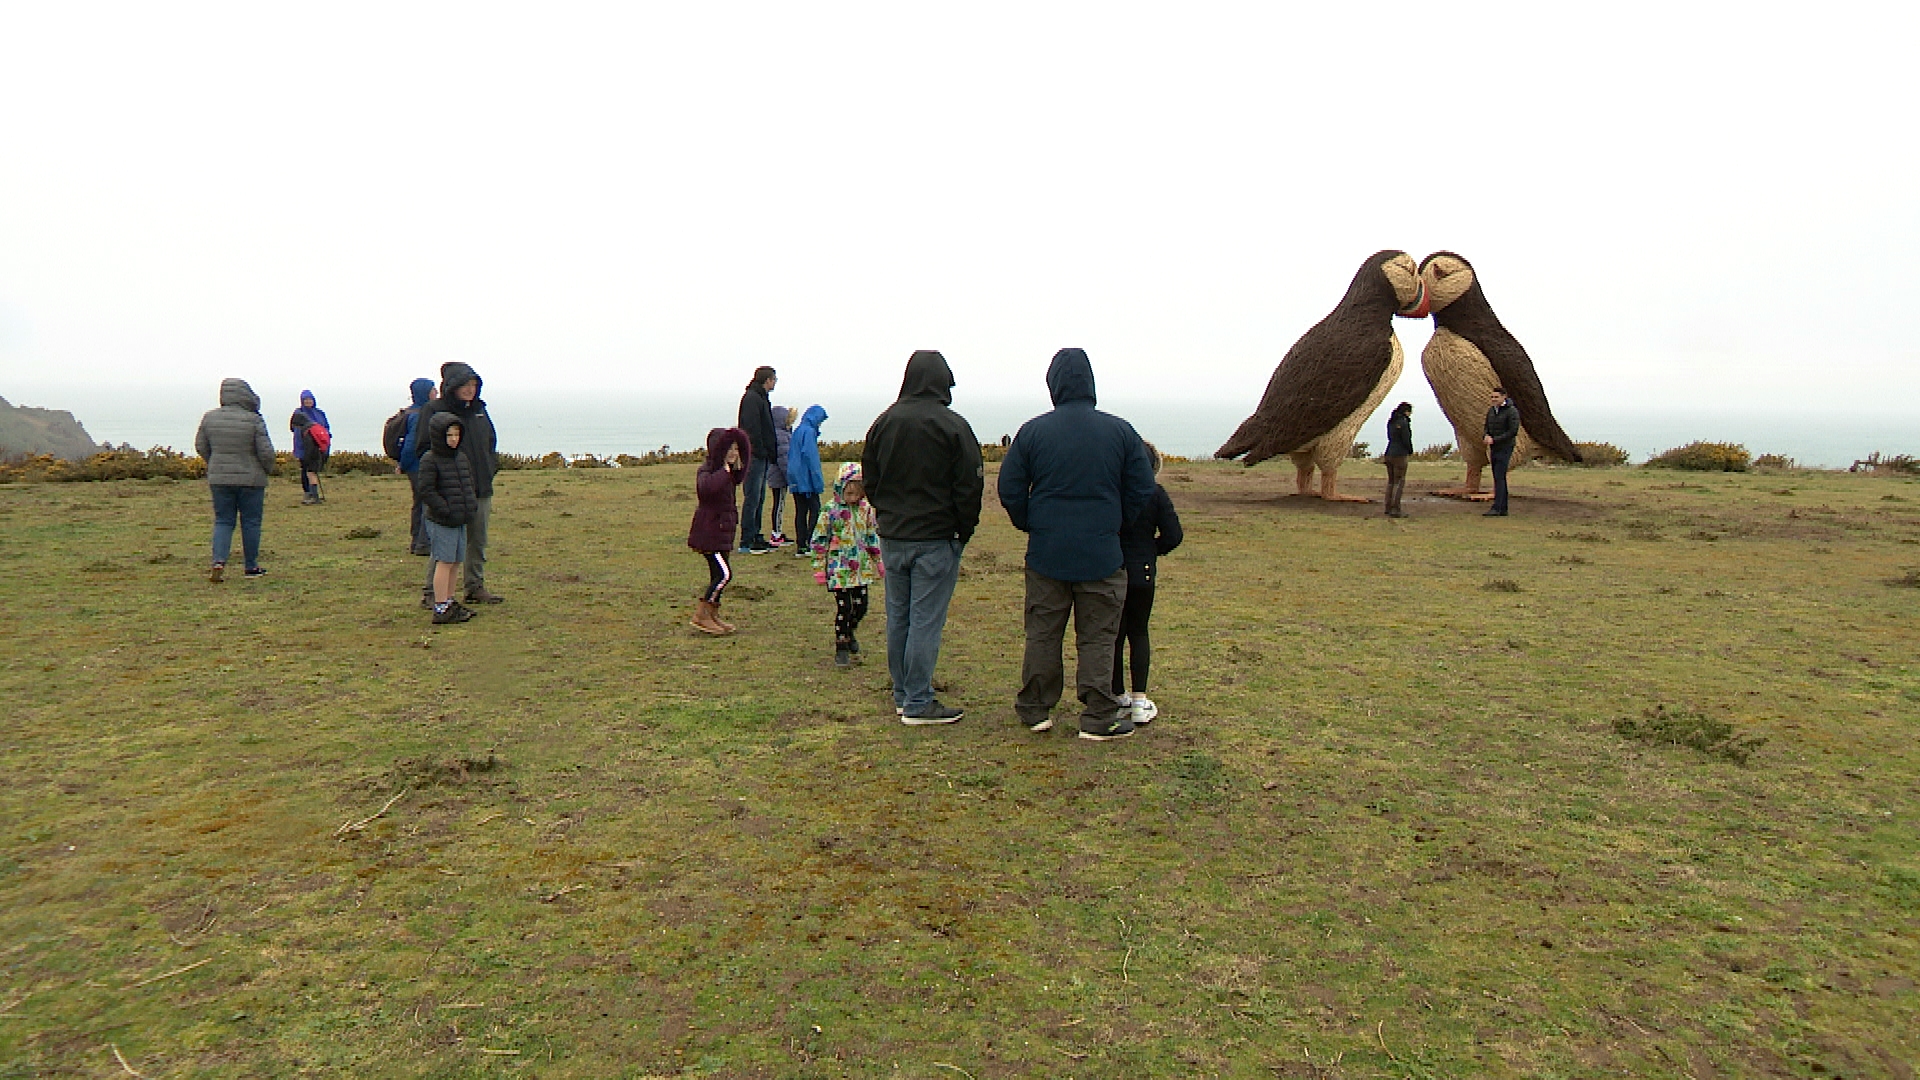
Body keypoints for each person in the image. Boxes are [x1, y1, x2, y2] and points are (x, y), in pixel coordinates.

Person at [998, 348, 1156, 741]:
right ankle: (1099, 715)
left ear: (1053, 384)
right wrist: (1116, 522)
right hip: (1102, 554)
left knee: (1043, 632)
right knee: (1098, 636)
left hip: (1047, 552)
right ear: (1091, 383)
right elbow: (1142, 487)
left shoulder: (1032, 432)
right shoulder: (1121, 432)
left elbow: (1010, 487)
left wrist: (1031, 522)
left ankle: (1035, 708)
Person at [862, 350, 983, 725]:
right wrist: (963, 530)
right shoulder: (953, 426)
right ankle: (917, 701)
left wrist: (887, 513)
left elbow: (870, 478)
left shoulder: (884, 423)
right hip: (936, 538)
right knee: (925, 620)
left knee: (899, 617)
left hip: (894, 536)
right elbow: (970, 485)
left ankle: (903, 694)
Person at [412, 363, 503, 603]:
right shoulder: (434, 410)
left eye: (473, 384)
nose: (470, 390)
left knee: (477, 540)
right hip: (449, 490)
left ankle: (474, 586)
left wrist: (488, 469)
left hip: (480, 488)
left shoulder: (479, 410)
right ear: (452, 386)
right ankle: (433, 593)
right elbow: (423, 449)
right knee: (445, 545)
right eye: (465, 384)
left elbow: (490, 442)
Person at [1112, 441, 1183, 726]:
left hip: (1113, 570)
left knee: (1114, 635)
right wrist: (1151, 550)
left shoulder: (1112, 492)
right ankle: (1140, 700)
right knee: (1139, 632)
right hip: (1142, 572)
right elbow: (1174, 535)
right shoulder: (1155, 493)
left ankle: (1117, 696)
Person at [194, 378, 277, 582]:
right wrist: (267, 469)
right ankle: (251, 566)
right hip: (251, 479)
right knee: (251, 522)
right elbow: (265, 451)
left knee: (223, 521)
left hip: (219, 479)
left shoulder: (209, 418)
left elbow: (200, 445)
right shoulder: (254, 419)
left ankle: (218, 561)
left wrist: (215, 463)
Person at [810, 462, 884, 668]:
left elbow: (871, 537)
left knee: (861, 606)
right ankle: (841, 645)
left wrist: (878, 561)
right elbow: (819, 540)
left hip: (860, 569)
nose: (852, 498)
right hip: (839, 569)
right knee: (845, 607)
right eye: (849, 493)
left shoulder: (865, 510)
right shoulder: (830, 510)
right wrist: (819, 568)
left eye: (857, 493)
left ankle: (850, 632)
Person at [414, 413, 480, 625]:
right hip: (442, 520)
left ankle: (450, 602)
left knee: (456, 561)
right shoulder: (430, 459)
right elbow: (426, 490)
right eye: (449, 435)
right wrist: (445, 509)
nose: (453, 439)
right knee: (444, 561)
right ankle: (441, 606)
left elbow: (468, 484)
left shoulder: (461, 458)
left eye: (456, 434)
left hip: (460, 519)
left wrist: (470, 507)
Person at [688, 427, 751, 635]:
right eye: (729, 448)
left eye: (736, 449)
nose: (734, 453)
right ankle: (702, 615)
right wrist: (724, 471)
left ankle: (712, 615)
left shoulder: (730, 474)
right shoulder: (708, 471)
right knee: (724, 574)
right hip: (709, 533)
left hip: (722, 533)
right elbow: (706, 489)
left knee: (718, 575)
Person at [389, 378, 438, 560]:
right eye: (433, 390)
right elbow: (411, 444)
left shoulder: (411, 412)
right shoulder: (420, 415)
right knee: (427, 503)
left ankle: (416, 540)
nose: (436, 393)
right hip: (419, 466)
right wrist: (404, 464)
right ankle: (423, 543)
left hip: (414, 466)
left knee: (419, 502)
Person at [736, 366, 778, 554]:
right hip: (755, 456)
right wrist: (760, 450)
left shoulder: (760, 398)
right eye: (774, 379)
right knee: (752, 497)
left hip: (762, 455)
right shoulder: (752, 399)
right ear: (767, 380)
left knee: (759, 497)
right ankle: (747, 540)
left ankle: (755, 535)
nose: (775, 383)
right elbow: (751, 428)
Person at [787, 405, 828, 556]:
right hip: (806, 478)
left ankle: (801, 545)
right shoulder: (809, 432)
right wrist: (817, 480)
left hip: (795, 476)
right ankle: (812, 541)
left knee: (801, 511)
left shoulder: (798, 430)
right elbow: (811, 457)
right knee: (815, 509)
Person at [289, 391, 331, 504]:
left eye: (310, 399)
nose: (308, 402)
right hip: (303, 445)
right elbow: (292, 427)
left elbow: (326, 428)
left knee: (312, 470)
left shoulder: (320, 413)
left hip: (318, 445)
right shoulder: (298, 413)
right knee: (306, 469)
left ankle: (313, 494)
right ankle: (308, 493)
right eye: (305, 400)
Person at [1483, 388, 1519, 517]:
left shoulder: (1511, 411)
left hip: (1505, 447)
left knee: (1499, 476)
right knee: (1498, 476)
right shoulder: (1492, 411)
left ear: (1504, 397)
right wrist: (1486, 436)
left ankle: (1497, 507)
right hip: (1494, 447)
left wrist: (1495, 439)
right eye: (1492, 397)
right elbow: (1487, 426)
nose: (1493, 399)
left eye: (1496, 397)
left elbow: (1513, 431)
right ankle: (1502, 508)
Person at [767, 404, 795, 546]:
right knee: (779, 505)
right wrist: (790, 477)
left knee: (778, 504)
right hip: (779, 477)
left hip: (776, 475)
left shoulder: (777, 434)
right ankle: (776, 534)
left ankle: (777, 532)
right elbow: (783, 458)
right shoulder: (781, 436)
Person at [1383, 401, 1413, 518]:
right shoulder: (1404, 422)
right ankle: (1395, 509)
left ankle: (1388, 507)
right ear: (1406, 412)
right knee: (1399, 481)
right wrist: (1410, 450)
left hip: (1389, 452)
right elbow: (1406, 439)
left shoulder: (1391, 422)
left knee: (1391, 482)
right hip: (1400, 455)